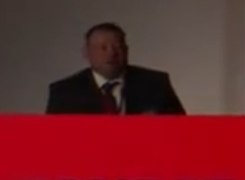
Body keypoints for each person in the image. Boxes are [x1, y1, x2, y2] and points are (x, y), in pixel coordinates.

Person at [44, 23, 187, 115]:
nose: (111, 53)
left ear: (126, 50)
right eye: (103, 48)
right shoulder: (64, 92)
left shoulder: (155, 84)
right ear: (86, 53)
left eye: (117, 47)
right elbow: (52, 141)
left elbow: (182, 131)